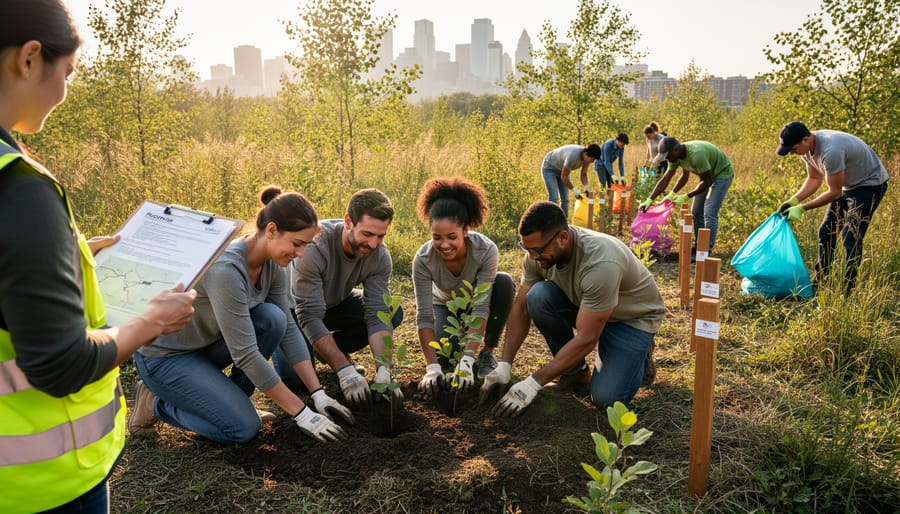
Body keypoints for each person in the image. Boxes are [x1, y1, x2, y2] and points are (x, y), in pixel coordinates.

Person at [0, 2, 197, 512]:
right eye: (66, 73)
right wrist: (149, 322)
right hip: (42, 484)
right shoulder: (19, 191)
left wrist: (62, 256)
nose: (64, 92)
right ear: (28, 59)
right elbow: (60, 363)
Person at [130, 187, 351, 445]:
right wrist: (302, 414)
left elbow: (289, 328)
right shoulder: (226, 270)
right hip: (167, 356)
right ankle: (156, 403)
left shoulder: (273, 265)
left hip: (204, 345)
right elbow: (245, 353)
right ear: (271, 231)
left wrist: (318, 394)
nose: (300, 254)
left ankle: (232, 402)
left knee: (273, 319)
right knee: (242, 428)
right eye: (297, 244)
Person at [480, 201, 665, 417]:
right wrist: (504, 364)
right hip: (589, 307)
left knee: (606, 399)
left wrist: (534, 382)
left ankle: (642, 352)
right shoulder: (538, 254)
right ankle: (575, 373)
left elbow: (587, 338)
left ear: (563, 238)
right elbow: (521, 307)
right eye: (526, 248)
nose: (532, 256)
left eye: (537, 250)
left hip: (631, 319)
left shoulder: (601, 263)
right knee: (538, 296)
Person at [276, 189, 403, 408]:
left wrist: (384, 368)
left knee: (391, 311)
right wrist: (344, 371)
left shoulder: (379, 256)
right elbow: (307, 314)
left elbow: (376, 312)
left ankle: (324, 347)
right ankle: (329, 353)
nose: (374, 244)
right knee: (295, 381)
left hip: (334, 305)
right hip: (292, 312)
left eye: (381, 236)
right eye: (367, 234)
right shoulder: (314, 247)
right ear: (348, 222)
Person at [412, 177, 516, 395]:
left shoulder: (486, 251)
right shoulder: (423, 259)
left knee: (504, 282)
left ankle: (487, 353)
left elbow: (480, 307)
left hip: (475, 303)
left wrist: (468, 361)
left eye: (452, 237)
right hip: (444, 305)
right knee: (446, 354)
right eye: (436, 237)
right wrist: (431, 367)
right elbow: (423, 315)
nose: (444, 245)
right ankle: (455, 352)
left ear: (466, 230)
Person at [775, 122, 889, 292]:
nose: (791, 153)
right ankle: (822, 281)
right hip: (847, 186)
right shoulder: (806, 149)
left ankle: (847, 289)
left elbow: (834, 193)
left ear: (806, 139)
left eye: (792, 148)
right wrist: (793, 201)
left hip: (870, 184)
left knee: (851, 236)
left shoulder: (831, 151)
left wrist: (802, 208)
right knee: (826, 230)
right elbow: (814, 179)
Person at [638, 136, 734, 253]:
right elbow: (669, 178)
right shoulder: (676, 158)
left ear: (675, 150)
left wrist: (687, 196)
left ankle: (706, 249)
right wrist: (650, 199)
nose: (667, 159)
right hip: (705, 176)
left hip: (722, 175)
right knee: (696, 211)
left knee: (709, 211)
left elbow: (708, 182)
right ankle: (699, 244)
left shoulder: (697, 154)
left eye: (667, 156)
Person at [541, 143, 602, 216]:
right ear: (586, 154)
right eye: (592, 159)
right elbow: (564, 177)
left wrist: (587, 187)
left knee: (566, 199)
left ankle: (563, 222)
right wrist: (574, 190)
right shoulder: (572, 156)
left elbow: (584, 174)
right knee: (554, 198)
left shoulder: (587, 160)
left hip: (562, 170)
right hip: (550, 168)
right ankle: (551, 222)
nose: (592, 162)